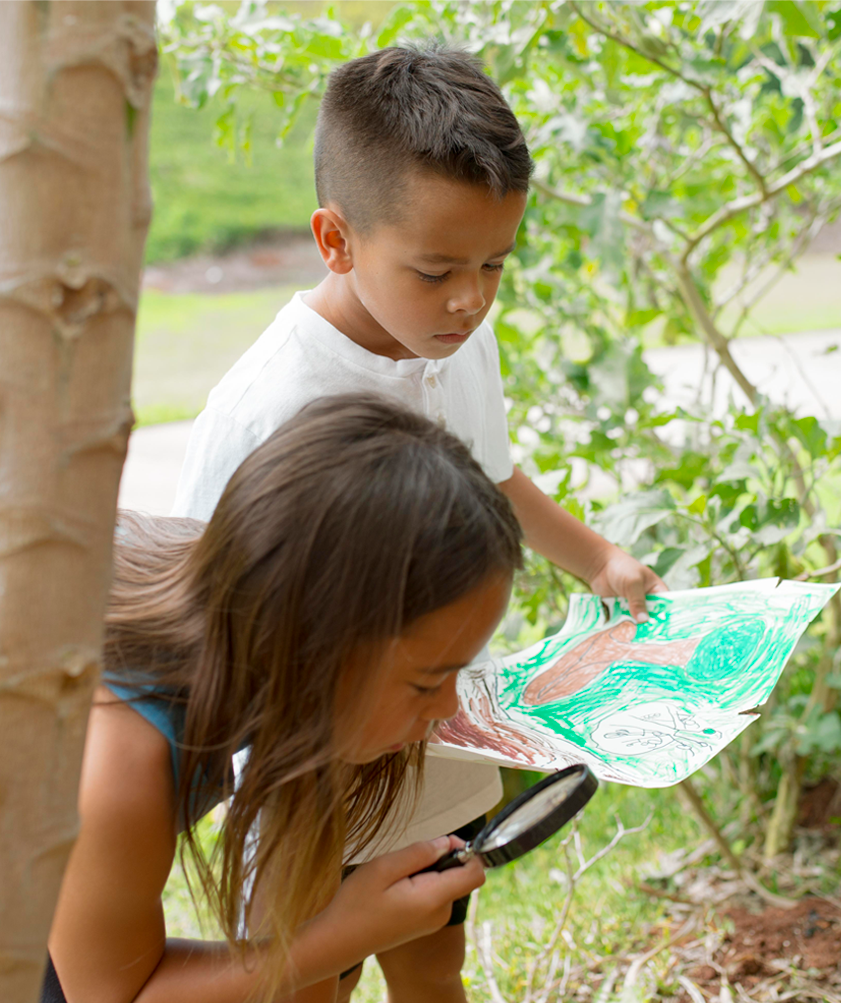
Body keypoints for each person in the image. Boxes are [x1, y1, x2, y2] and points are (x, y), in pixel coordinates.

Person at [172, 46, 665, 1001]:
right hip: (311, 767)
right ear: (336, 240)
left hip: (435, 729)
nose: (471, 297)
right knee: (306, 971)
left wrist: (597, 557)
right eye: (437, 267)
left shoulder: (450, 333)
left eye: (493, 264)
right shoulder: (277, 410)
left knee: (435, 953)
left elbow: (495, 472)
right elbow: (224, 622)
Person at [43, 395, 524, 1003]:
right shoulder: (116, 759)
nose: (448, 709)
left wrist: (327, 938)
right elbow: (111, 996)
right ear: (312, 643)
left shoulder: (261, 604)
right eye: (426, 681)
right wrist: (346, 934)